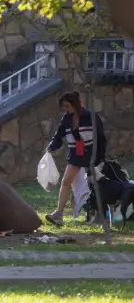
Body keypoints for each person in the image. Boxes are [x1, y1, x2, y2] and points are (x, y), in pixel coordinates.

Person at [44, 91, 107, 226]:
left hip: (91, 153)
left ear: (75, 104)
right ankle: (58, 214)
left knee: (94, 184)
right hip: (76, 153)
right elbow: (58, 136)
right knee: (66, 181)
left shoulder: (90, 116)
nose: (66, 109)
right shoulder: (66, 119)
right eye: (64, 107)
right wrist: (51, 147)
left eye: (67, 106)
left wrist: (100, 156)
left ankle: (98, 214)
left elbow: (101, 137)